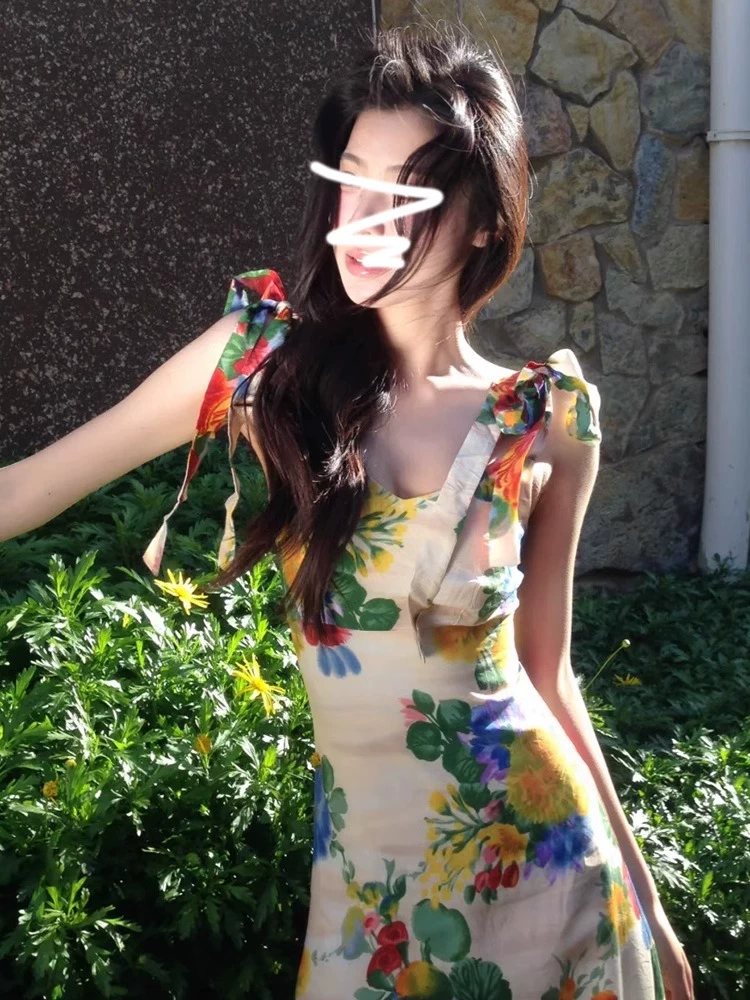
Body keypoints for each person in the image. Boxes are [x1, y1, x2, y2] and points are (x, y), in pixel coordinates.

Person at [0, 19, 694, 1000]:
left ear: (484, 220)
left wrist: (648, 897)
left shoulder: (547, 418)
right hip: (370, 917)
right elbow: (25, 490)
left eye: (403, 192)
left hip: (556, 886)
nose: (364, 216)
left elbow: (547, 672)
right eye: (351, 180)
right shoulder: (265, 368)